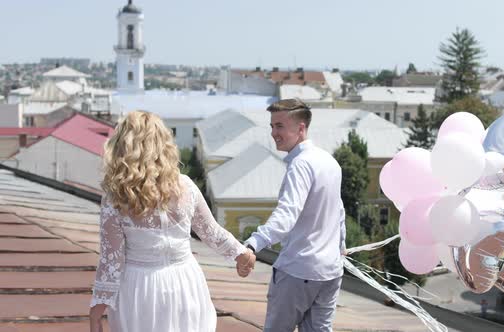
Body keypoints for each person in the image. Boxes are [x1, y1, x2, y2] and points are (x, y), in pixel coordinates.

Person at [88, 111, 255, 332]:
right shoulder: (185, 185)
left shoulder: (116, 197)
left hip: (139, 288)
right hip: (186, 283)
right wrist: (241, 253)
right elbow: (211, 231)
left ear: (121, 148)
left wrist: (97, 309)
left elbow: (112, 260)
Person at [244, 99, 346, 332]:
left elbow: (287, 214)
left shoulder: (301, 165)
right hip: (330, 272)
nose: (273, 133)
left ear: (300, 128)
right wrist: (340, 246)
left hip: (299, 271)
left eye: (279, 126)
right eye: (272, 126)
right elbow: (339, 211)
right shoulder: (329, 162)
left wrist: (253, 244)